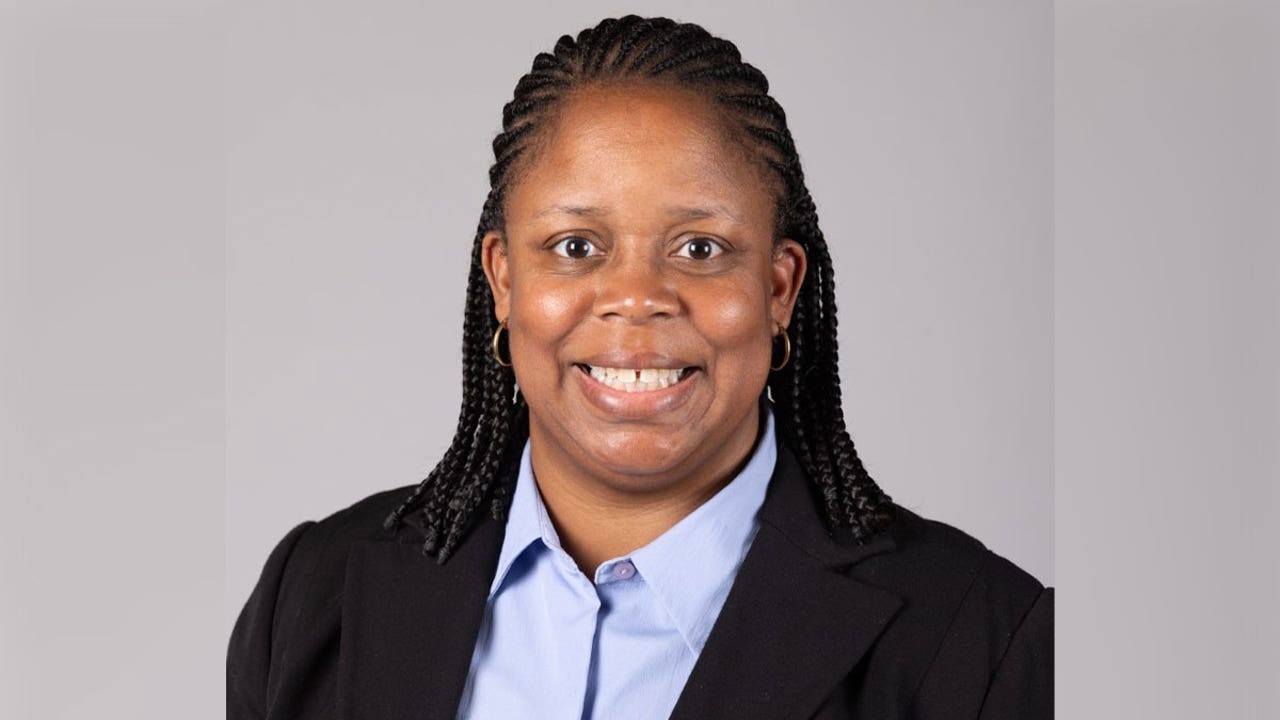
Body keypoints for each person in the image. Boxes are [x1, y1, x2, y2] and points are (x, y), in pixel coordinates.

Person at [227, 15, 1053, 720]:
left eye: (700, 248)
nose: (636, 298)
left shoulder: (984, 643)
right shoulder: (315, 598)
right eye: (575, 246)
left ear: (778, 288)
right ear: (504, 281)